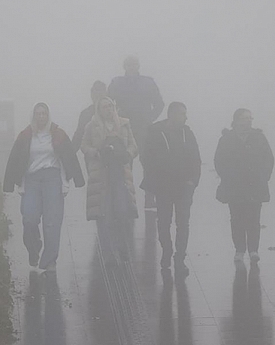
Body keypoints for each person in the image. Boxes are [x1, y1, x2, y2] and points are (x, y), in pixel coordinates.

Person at [3, 102, 85, 271]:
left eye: (44, 114)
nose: (41, 117)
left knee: (52, 222)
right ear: (33, 116)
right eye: (38, 114)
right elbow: (15, 159)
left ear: (48, 116)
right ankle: (34, 250)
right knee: (29, 219)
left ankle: (50, 260)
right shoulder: (25, 135)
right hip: (32, 179)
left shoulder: (58, 134)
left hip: (52, 178)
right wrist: (11, 183)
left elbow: (69, 156)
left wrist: (72, 180)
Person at [140, 102, 201, 270]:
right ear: (172, 114)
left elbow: (196, 158)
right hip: (163, 186)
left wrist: (193, 181)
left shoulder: (187, 133)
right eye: (182, 113)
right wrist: (156, 179)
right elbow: (146, 157)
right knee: (164, 221)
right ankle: (167, 251)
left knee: (183, 223)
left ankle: (180, 257)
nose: (186, 117)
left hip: (184, 187)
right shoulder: (155, 132)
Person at [81, 97, 139, 258]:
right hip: (101, 174)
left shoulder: (125, 125)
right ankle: (108, 253)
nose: (108, 109)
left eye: (110, 106)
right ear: (99, 110)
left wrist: (127, 154)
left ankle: (122, 247)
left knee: (122, 211)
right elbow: (84, 145)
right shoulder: (91, 126)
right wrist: (95, 153)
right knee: (103, 214)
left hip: (120, 174)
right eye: (104, 107)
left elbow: (134, 145)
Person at [214, 109, 274, 263]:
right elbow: (219, 161)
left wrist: (263, 177)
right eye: (244, 118)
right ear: (236, 120)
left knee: (254, 219)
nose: (248, 121)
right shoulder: (226, 139)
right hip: (234, 186)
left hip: (255, 186)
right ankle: (239, 250)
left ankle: (253, 250)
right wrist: (228, 177)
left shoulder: (259, 137)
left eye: (250, 118)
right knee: (236, 218)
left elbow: (269, 159)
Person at [108, 55, 165, 209]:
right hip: (124, 129)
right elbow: (107, 104)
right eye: (128, 65)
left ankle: (150, 196)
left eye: (133, 65)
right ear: (124, 66)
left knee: (149, 163)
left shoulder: (148, 82)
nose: (131, 67)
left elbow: (159, 104)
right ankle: (127, 196)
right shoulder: (117, 83)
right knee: (126, 163)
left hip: (144, 129)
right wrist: (115, 120)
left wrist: (149, 119)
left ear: (138, 66)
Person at [72, 80, 108, 156]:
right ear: (91, 95)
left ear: (106, 94)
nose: (98, 96)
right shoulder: (86, 114)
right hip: (93, 157)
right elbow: (79, 136)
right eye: (96, 93)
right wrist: (69, 154)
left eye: (101, 93)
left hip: (115, 157)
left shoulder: (115, 112)